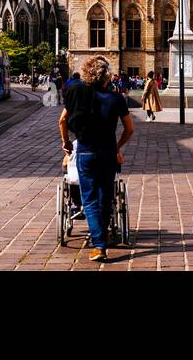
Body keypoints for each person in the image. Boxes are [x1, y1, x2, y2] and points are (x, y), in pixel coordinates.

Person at [60, 56, 133, 262]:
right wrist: (118, 146)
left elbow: (62, 120)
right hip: (108, 152)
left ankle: (100, 244)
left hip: (85, 151)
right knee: (106, 195)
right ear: (107, 77)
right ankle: (104, 235)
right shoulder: (116, 98)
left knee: (89, 199)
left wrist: (66, 143)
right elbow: (130, 128)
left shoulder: (79, 95)